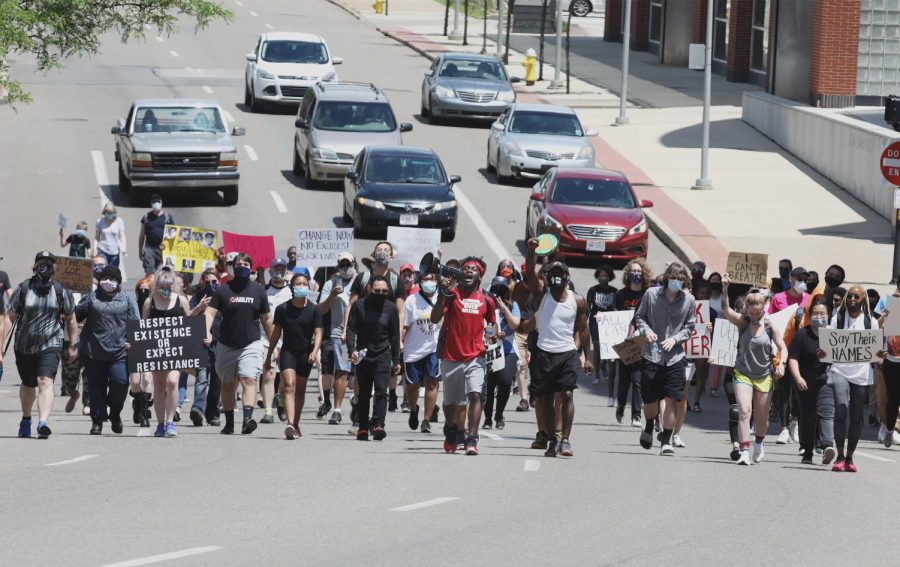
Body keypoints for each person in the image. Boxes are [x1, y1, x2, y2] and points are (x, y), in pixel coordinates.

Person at [521, 240, 592, 457]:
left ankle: (566, 441)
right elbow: (531, 276)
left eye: (560, 272)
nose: (556, 276)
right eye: (552, 273)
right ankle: (552, 439)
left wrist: (587, 357)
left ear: (567, 277)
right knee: (546, 399)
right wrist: (532, 252)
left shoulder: (578, 301)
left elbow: (583, 328)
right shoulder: (542, 294)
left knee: (568, 393)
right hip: (544, 353)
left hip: (567, 353)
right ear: (547, 277)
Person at [431, 256, 496, 455]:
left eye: (473, 269)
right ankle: (451, 430)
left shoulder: (486, 299)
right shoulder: (452, 295)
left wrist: (492, 333)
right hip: (451, 357)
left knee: (475, 395)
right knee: (451, 402)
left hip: (476, 357)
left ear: (480, 275)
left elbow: (492, 323)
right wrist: (442, 294)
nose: (468, 271)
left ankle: (471, 438)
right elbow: (435, 318)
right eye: (465, 268)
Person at [721, 275, 788, 465]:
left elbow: (783, 348)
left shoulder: (769, 326)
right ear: (747, 310)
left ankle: (759, 442)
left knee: (761, 418)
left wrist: (781, 364)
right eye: (752, 313)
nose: (755, 316)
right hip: (743, 373)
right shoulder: (742, 322)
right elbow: (725, 310)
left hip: (764, 376)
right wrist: (725, 289)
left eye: (759, 313)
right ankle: (744, 450)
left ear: (764, 310)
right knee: (744, 411)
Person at [204, 253, 275, 435]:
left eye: (245, 263)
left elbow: (267, 320)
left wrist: (274, 345)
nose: (242, 266)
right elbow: (210, 313)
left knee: (248, 379)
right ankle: (229, 423)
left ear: (250, 268)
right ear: (232, 267)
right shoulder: (223, 290)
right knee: (227, 384)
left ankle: (247, 419)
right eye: (238, 264)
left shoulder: (258, 290)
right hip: (226, 344)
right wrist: (206, 332)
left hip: (250, 344)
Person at [9, 251, 78, 438]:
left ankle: (43, 422)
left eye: (49, 263)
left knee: (45, 381)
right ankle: (26, 419)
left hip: (51, 344)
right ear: (34, 266)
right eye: (41, 263)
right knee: (28, 384)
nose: (45, 266)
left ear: (54, 268)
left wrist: (73, 344)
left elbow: (71, 319)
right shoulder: (23, 289)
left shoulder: (61, 291)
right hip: (24, 346)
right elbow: (10, 318)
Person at [634, 262, 696, 456]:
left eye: (680, 280)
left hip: (675, 357)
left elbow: (689, 326)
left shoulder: (689, 300)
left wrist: (676, 339)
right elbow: (640, 317)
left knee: (672, 399)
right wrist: (648, 331)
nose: (676, 282)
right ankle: (650, 425)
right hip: (652, 355)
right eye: (673, 279)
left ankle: (666, 440)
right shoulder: (651, 295)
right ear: (666, 278)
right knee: (650, 400)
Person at [343, 242, 406, 428]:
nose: (383, 253)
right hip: (362, 337)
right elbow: (351, 305)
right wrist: (347, 331)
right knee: (360, 382)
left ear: (392, 257)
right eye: (380, 250)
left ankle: (377, 422)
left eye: (387, 250)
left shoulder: (396, 281)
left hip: (383, 339)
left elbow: (400, 312)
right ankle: (358, 406)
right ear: (373, 254)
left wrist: (399, 339)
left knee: (380, 385)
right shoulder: (362, 278)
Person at [76, 266, 139, 435]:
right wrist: (70, 304)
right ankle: (97, 421)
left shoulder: (127, 299)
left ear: (118, 283)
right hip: (93, 351)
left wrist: (131, 341)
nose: (108, 282)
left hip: (119, 352)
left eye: (112, 279)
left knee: (120, 382)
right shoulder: (90, 297)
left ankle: (115, 413)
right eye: (105, 278)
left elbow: (136, 323)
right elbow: (76, 316)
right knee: (96, 387)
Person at [265, 273, 323, 439]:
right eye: (298, 283)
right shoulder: (283, 309)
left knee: (300, 390)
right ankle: (290, 424)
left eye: (304, 283)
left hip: (306, 353)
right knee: (289, 385)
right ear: (292, 287)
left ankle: (296, 423)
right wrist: (269, 355)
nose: (301, 286)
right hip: (288, 352)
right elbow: (276, 334)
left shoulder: (314, 309)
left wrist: (314, 351)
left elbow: (319, 332)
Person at [829, 285, 880, 472]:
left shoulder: (871, 322)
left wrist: (879, 354)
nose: (852, 299)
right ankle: (839, 455)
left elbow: (874, 351)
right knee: (841, 409)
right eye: (849, 296)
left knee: (857, 416)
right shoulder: (838, 318)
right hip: (840, 370)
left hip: (861, 374)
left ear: (862, 300)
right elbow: (829, 344)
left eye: (856, 297)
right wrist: (823, 351)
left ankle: (849, 457)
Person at [346, 276, 401, 440]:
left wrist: (396, 360)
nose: (381, 293)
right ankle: (363, 426)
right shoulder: (359, 305)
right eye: (377, 291)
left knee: (381, 391)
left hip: (383, 354)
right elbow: (351, 329)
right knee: (363, 393)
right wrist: (352, 349)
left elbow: (394, 335)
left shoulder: (391, 308)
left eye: (384, 291)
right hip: (363, 355)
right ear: (370, 288)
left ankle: (377, 424)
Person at [142, 267, 191, 437]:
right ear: (157, 284)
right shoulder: (149, 302)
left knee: (172, 381)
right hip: (156, 350)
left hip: (176, 349)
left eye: (169, 286)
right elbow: (143, 327)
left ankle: (170, 422)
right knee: (159, 386)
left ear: (173, 285)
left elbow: (190, 324)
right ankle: (161, 424)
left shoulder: (181, 300)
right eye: (162, 285)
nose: (166, 289)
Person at [788, 298, 837, 465]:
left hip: (826, 381)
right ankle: (807, 451)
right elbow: (793, 358)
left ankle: (827, 446)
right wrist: (798, 377)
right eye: (815, 313)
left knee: (827, 414)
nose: (819, 316)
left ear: (828, 315)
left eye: (822, 313)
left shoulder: (834, 335)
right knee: (808, 416)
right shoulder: (802, 334)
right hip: (805, 381)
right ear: (810, 316)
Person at [770, 266, 810, 446]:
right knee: (784, 389)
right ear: (791, 279)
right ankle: (784, 428)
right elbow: (770, 321)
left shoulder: (809, 300)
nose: (803, 282)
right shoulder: (778, 298)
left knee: (800, 389)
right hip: (783, 350)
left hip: (803, 352)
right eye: (799, 278)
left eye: (805, 279)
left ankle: (795, 422)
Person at [318, 252, 358, 426]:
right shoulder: (331, 283)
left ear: (354, 264)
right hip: (339, 333)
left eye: (348, 264)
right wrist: (332, 295)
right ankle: (337, 410)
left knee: (358, 374)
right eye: (342, 265)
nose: (345, 268)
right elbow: (320, 310)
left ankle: (357, 403)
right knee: (341, 371)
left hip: (360, 333)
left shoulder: (362, 281)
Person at [401, 272, 442, 433]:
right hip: (413, 349)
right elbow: (405, 324)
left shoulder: (441, 298)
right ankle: (413, 409)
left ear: (436, 280)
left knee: (432, 382)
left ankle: (426, 419)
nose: (427, 282)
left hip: (433, 349)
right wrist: (399, 341)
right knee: (412, 386)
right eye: (424, 279)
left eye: (430, 279)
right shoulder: (411, 300)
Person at [615, 259, 652, 427]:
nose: (635, 274)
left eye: (638, 271)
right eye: (633, 271)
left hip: (639, 341)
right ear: (628, 274)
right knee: (623, 382)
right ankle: (621, 405)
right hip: (623, 342)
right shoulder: (620, 295)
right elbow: (612, 316)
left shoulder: (647, 295)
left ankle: (636, 415)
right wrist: (601, 318)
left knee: (638, 380)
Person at [482, 276, 521, 431]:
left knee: (505, 382)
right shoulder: (486, 304)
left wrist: (504, 308)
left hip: (508, 350)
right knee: (489, 385)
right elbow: (484, 326)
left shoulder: (513, 305)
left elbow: (515, 324)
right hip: (491, 349)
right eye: (496, 289)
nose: (498, 292)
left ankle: (499, 414)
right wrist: (494, 334)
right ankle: (487, 418)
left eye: (502, 289)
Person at [259, 257, 291, 424]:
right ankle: (268, 411)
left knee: (286, 378)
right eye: (275, 268)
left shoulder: (293, 290)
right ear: (269, 271)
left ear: (287, 271)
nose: (278, 271)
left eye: (282, 268)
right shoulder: (263, 291)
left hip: (288, 340)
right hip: (267, 339)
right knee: (269, 374)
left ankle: (280, 398)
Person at [189, 269, 222, 427]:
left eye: (214, 282)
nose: (211, 285)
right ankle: (197, 409)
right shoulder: (197, 297)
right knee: (202, 378)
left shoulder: (223, 297)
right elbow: (187, 319)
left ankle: (212, 414)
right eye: (207, 282)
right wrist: (199, 307)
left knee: (217, 381)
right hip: (201, 345)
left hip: (219, 344)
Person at [586, 265, 617, 398]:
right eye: (601, 275)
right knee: (597, 348)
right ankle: (597, 374)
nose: (603, 278)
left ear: (610, 277)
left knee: (608, 350)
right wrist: (589, 318)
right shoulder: (592, 290)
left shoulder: (614, 291)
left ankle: (605, 365)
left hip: (609, 324)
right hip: (595, 323)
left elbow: (617, 308)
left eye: (606, 275)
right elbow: (588, 307)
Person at [138, 194, 174, 275]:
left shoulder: (167, 217)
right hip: (149, 249)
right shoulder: (146, 217)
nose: (156, 204)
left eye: (158, 202)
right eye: (154, 202)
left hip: (163, 250)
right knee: (150, 272)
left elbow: (173, 234)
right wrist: (140, 250)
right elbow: (142, 235)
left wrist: (166, 244)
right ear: (151, 204)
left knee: (163, 272)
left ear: (161, 203)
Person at [95, 203, 127, 268]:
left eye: (111, 212)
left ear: (114, 212)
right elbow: (97, 237)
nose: (109, 214)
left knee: (112, 273)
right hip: (102, 250)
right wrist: (95, 249)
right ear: (104, 212)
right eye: (107, 212)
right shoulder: (100, 221)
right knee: (101, 270)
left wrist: (124, 247)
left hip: (114, 252)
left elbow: (122, 235)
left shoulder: (119, 221)